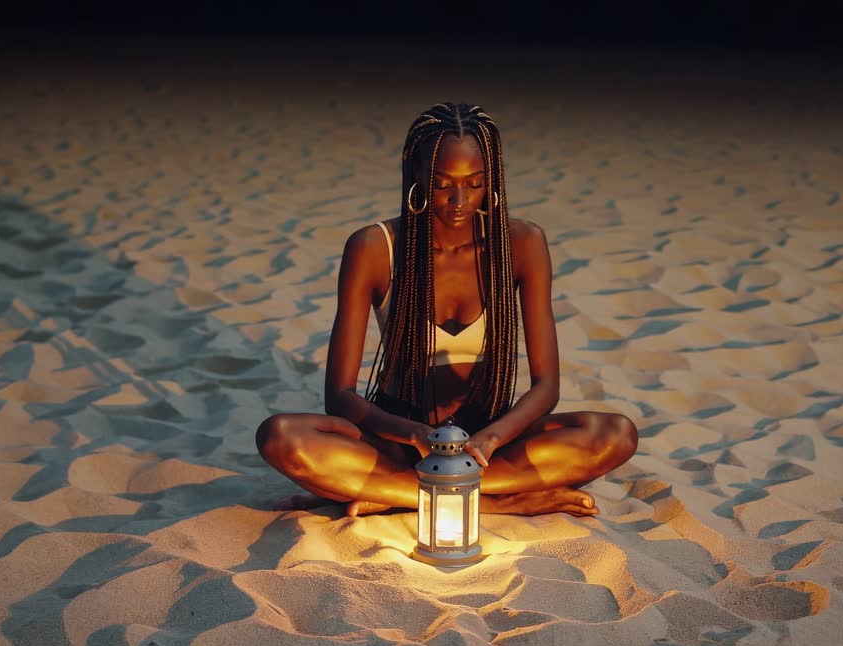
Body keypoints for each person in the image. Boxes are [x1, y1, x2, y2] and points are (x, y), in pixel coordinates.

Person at [256, 102, 637, 518]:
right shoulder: (373, 248)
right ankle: (503, 502)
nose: (459, 200)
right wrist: (414, 434)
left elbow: (546, 386)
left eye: (474, 183)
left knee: (615, 434)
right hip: (400, 440)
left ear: (492, 180)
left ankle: (398, 495)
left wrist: (491, 439)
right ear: (417, 178)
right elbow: (340, 396)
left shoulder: (522, 243)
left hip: (488, 441)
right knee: (281, 436)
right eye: (442, 184)